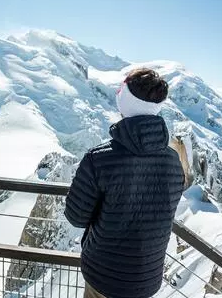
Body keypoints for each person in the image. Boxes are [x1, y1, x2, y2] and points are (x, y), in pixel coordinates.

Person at [65, 68, 185, 298]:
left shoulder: (99, 158)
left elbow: (76, 216)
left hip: (104, 276)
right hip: (147, 279)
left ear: (126, 102)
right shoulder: (173, 161)